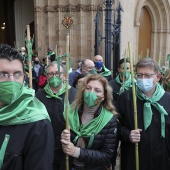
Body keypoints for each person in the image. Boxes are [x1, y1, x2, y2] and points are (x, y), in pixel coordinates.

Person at [0, 44, 54, 169]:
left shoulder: (38, 124)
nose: (12, 81)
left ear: (24, 77)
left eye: (17, 74)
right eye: (3, 74)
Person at [117, 58, 170, 170]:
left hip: (162, 158)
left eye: (147, 75)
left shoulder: (167, 99)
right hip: (134, 157)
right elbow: (115, 126)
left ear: (158, 76)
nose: (142, 79)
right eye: (139, 75)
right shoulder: (126, 97)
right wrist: (128, 134)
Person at [61, 73, 118, 170]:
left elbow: (106, 154)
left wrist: (76, 151)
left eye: (97, 90)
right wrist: (64, 138)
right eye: (88, 88)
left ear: (103, 96)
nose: (91, 93)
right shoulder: (69, 113)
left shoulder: (109, 120)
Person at [35, 61, 77, 170]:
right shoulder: (39, 95)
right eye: (50, 74)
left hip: (68, 144)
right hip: (46, 144)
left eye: (57, 73)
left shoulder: (73, 94)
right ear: (47, 76)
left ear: (64, 76)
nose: (54, 76)